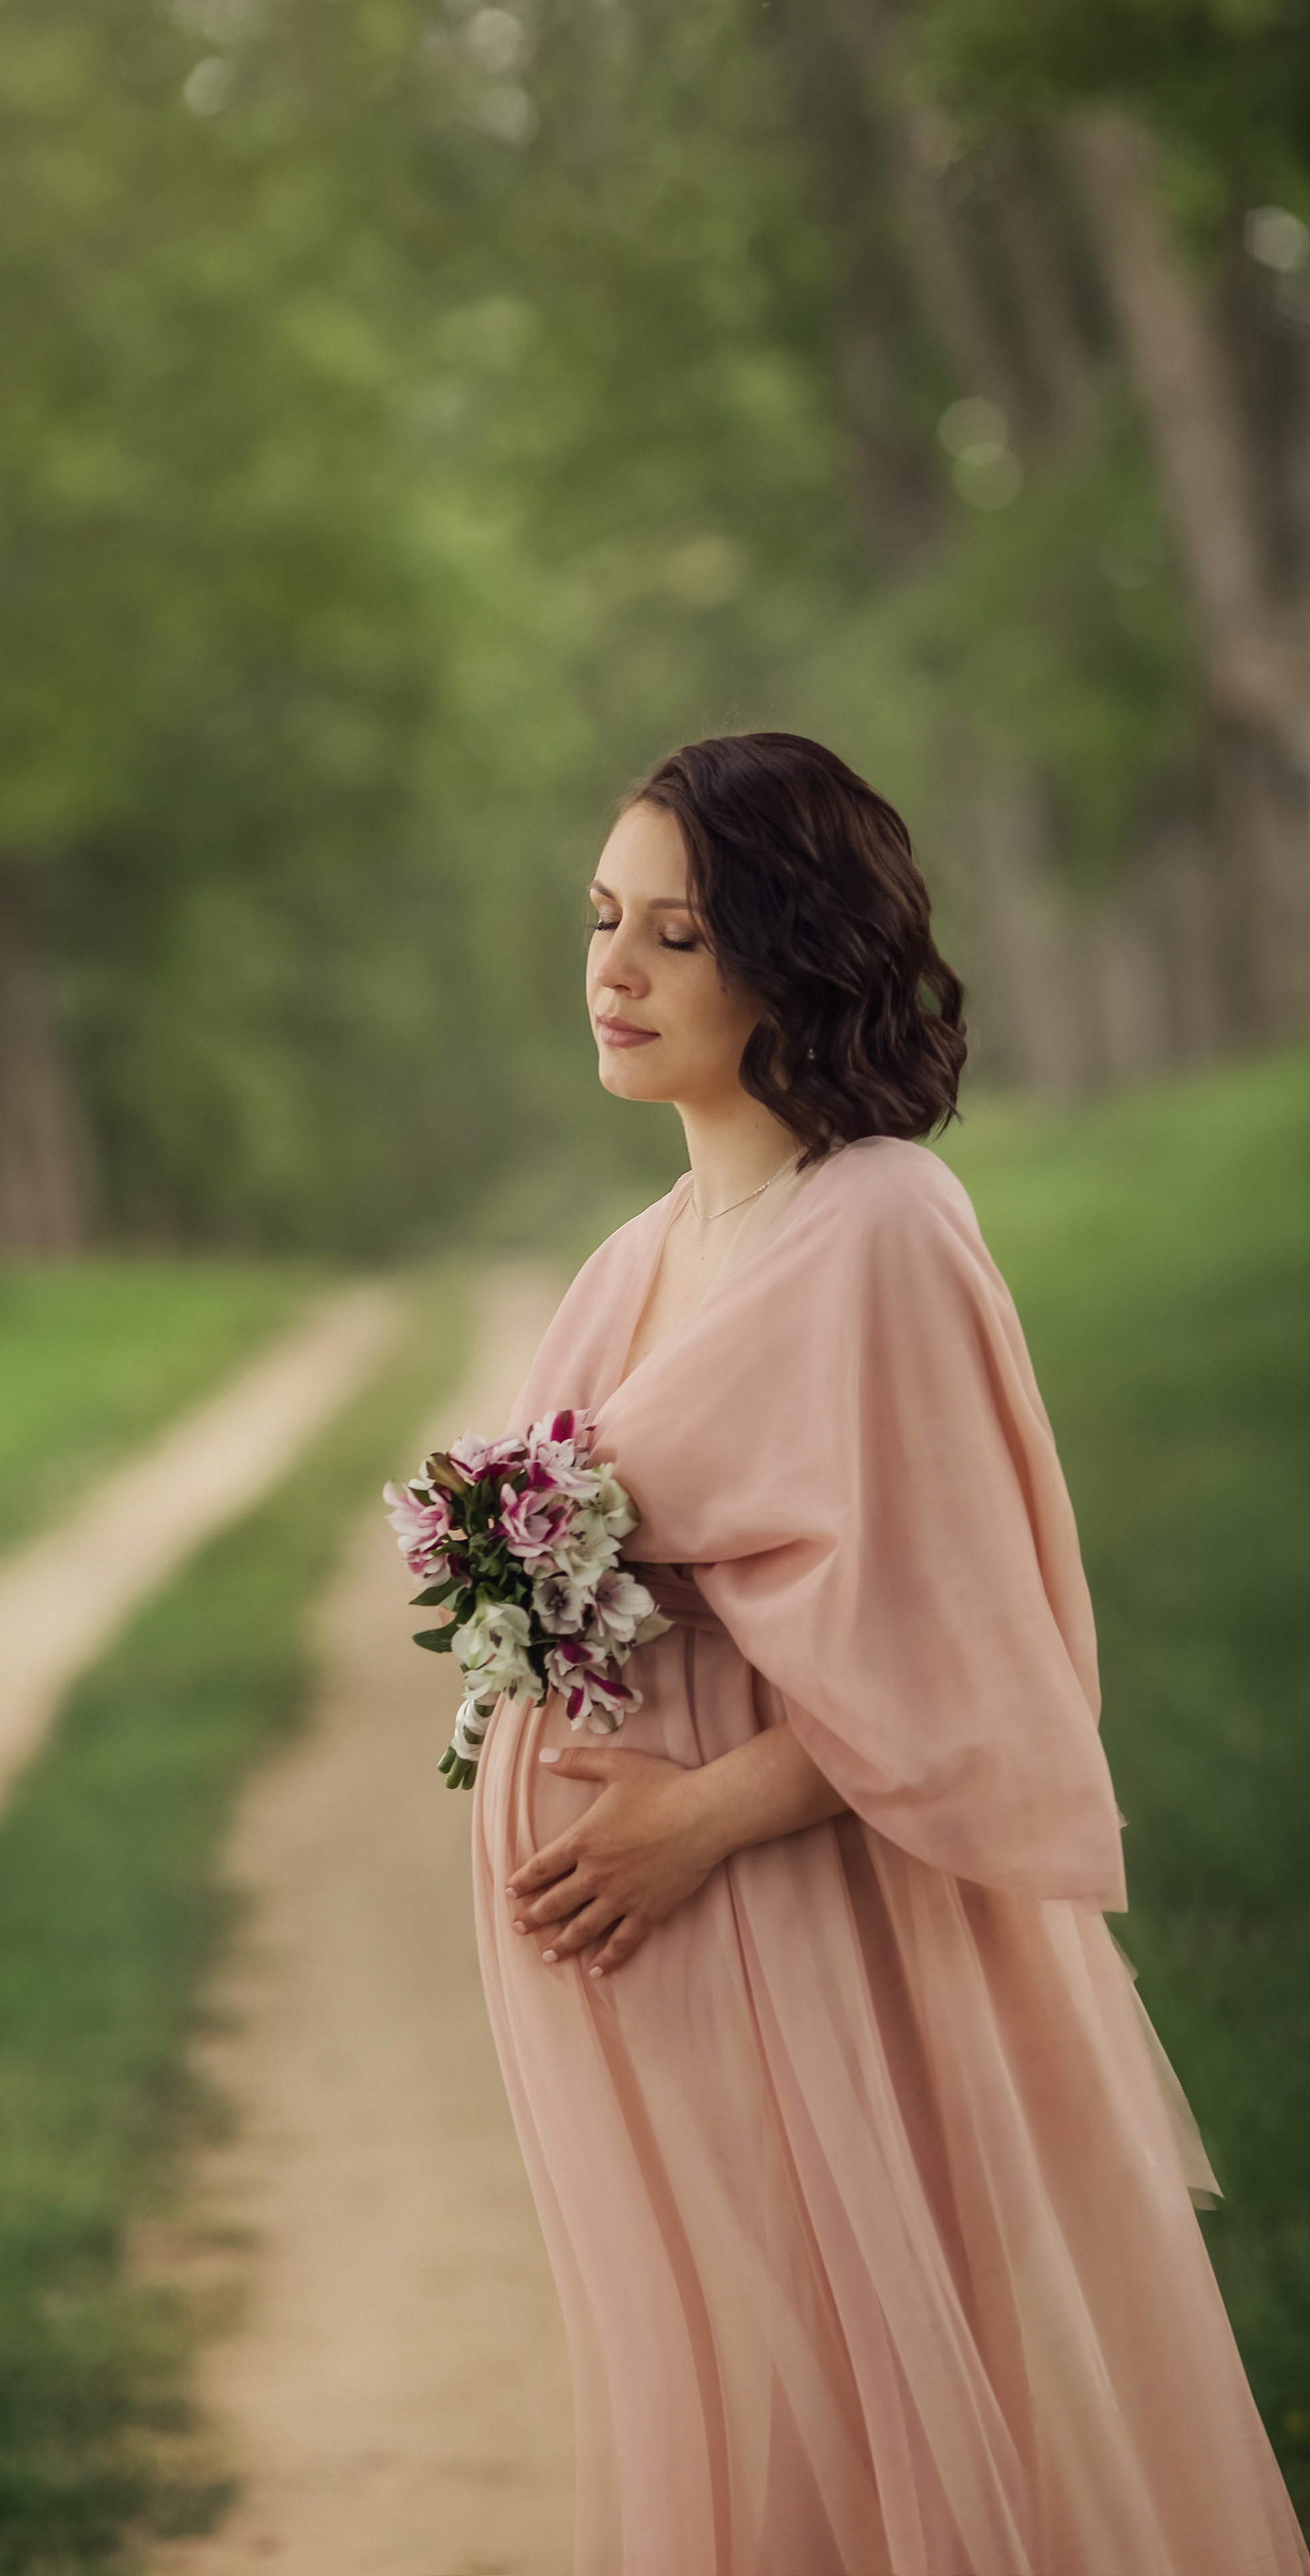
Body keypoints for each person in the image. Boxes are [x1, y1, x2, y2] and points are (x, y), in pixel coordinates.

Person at [473, 731, 1307, 2575]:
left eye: (674, 936)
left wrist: (692, 1820)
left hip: (833, 1940)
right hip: (694, 1994)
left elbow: (980, 1651)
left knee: (914, 2427)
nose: (611, 972)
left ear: (793, 951)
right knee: (776, 2445)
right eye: (602, 921)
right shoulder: (635, 1257)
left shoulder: (883, 1223)